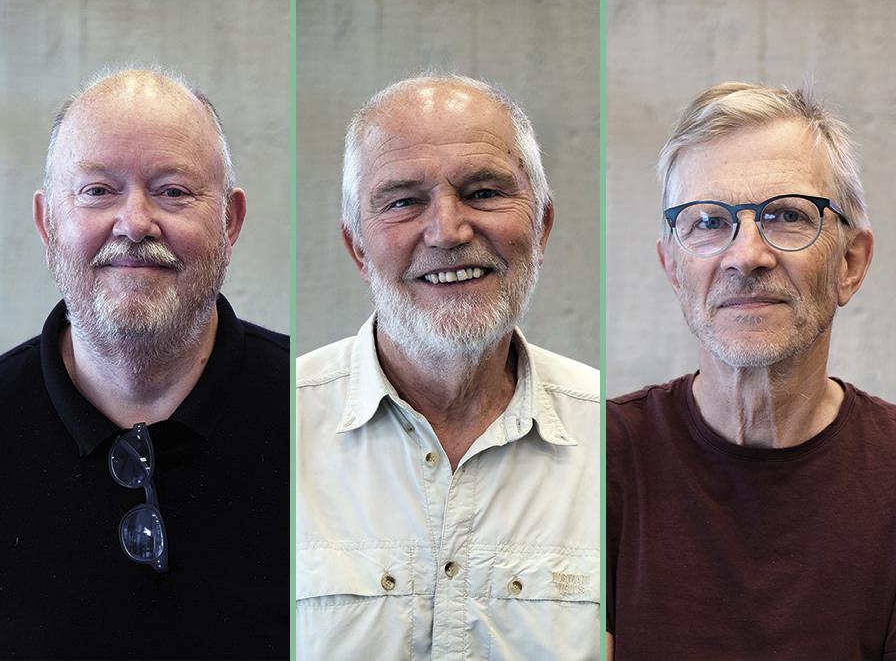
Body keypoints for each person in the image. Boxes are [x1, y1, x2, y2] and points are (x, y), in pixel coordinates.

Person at [296, 75, 599, 659]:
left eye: (484, 192)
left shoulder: (611, 439)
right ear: (358, 246)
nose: (448, 232)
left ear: (542, 227)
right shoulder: (278, 424)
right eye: (404, 201)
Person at [0, 67, 288, 659]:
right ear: (47, 222)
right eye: (98, 190)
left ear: (230, 222)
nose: (134, 223)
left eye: (173, 191)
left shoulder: (318, 411)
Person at [606, 82, 894, 660]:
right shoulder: (597, 460)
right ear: (673, 268)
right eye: (708, 222)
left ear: (850, 263)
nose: (746, 255)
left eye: (787, 216)